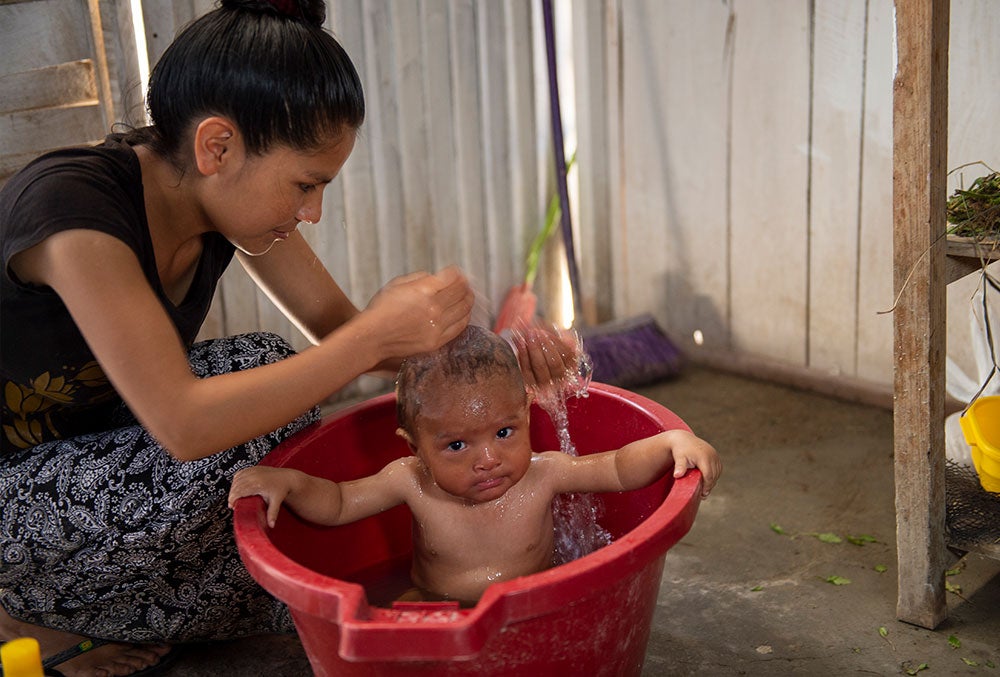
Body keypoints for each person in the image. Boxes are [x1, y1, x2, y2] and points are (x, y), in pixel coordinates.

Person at [0, 1, 575, 675]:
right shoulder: (74, 214)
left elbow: (349, 332)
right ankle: (24, 615)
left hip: (87, 454)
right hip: (17, 489)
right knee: (249, 417)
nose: (313, 212)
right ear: (217, 146)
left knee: (276, 415)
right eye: (305, 185)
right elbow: (184, 423)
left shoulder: (222, 205)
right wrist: (367, 341)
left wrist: (502, 365)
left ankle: (115, 601)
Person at [228, 325, 721, 606]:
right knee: (398, 616)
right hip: (435, 604)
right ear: (414, 447)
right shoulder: (409, 481)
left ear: (527, 416)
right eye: (456, 446)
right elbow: (336, 503)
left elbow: (615, 468)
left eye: (505, 433)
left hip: (535, 604)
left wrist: (668, 443)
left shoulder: (543, 473)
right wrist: (289, 482)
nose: (488, 460)